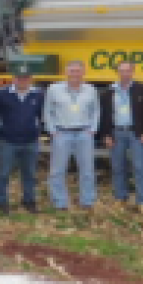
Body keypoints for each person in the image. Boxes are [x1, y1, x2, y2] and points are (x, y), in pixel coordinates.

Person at [99, 61, 143, 213]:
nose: (124, 74)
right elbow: (104, 115)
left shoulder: (142, 90)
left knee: (139, 167)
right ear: (117, 72)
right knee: (118, 167)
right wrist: (106, 134)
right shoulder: (109, 92)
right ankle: (120, 198)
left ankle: (142, 201)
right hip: (117, 133)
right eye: (121, 71)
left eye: (127, 71)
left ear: (133, 72)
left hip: (136, 133)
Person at [43, 60, 99, 211]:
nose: (75, 74)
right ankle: (60, 201)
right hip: (62, 133)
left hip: (84, 133)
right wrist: (52, 130)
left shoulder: (90, 89)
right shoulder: (54, 89)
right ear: (66, 72)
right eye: (72, 71)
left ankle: (87, 201)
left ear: (83, 72)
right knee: (58, 170)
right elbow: (48, 110)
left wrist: (93, 128)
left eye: (78, 71)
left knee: (87, 170)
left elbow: (95, 110)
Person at [0, 69, 44, 214]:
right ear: (14, 79)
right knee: (4, 172)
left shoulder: (38, 95)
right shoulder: (1, 94)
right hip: (7, 140)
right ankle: (1, 201)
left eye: (26, 78)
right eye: (19, 78)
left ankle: (29, 200)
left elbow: (41, 115)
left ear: (31, 79)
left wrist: (37, 131)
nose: (22, 80)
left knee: (30, 173)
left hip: (30, 140)